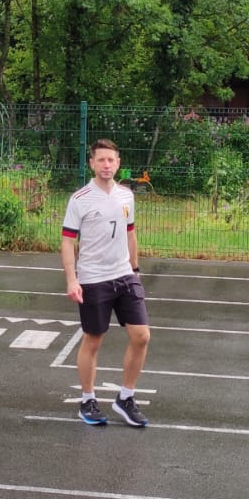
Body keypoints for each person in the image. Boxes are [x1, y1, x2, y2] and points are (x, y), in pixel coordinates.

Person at [62, 139, 150, 428]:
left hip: (124, 275)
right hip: (93, 278)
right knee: (94, 339)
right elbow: (67, 242)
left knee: (142, 336)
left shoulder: (126, 196)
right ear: (92, 163)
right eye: (101, 160)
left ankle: (125, 398)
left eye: (111, 160)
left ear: (118, 163)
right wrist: (72, 280)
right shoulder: (80, 199)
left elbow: (130, 233)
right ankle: (87, 399)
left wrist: (135, 270)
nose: (106, 165)